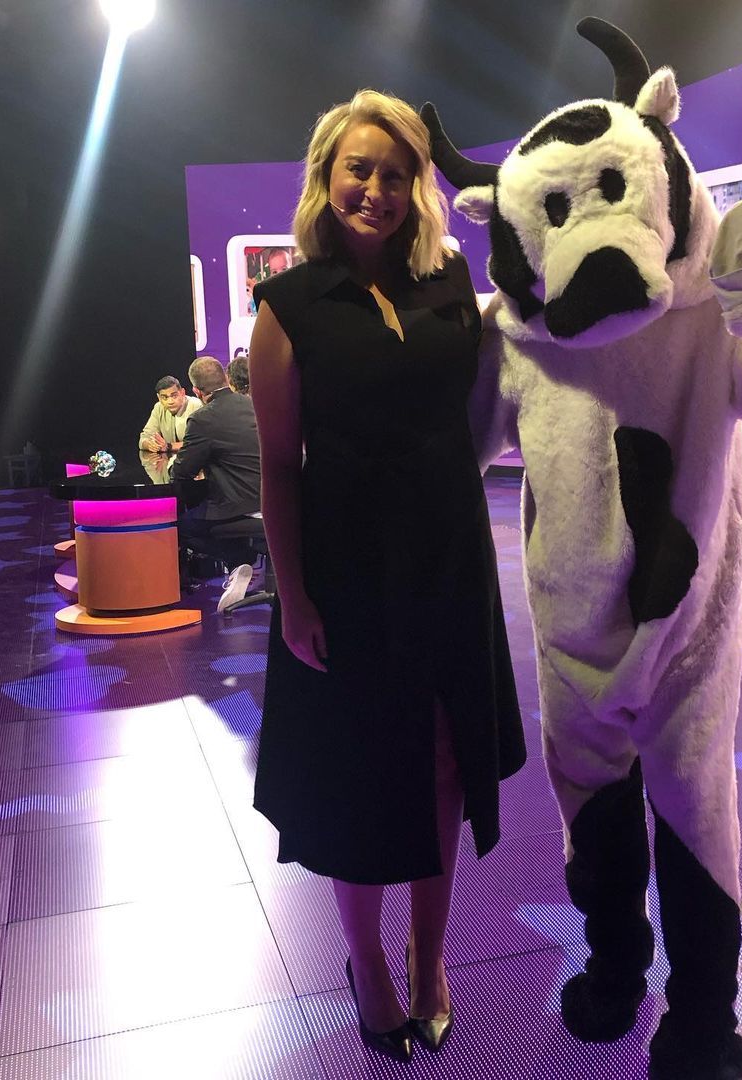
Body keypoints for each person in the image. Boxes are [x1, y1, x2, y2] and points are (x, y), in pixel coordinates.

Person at [248, 89, 525, 1063]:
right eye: (358, 169)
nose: (376, 188)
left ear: (417, 187)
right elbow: (279, 469)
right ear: (325, 178)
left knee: (446, 763)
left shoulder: (449, 281)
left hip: (450, 560)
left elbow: (486, 409)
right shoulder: (287, 307)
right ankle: (366, 960)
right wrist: (294, 597)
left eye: (396, 173)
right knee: (363, 778)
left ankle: (429, 953)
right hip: (347, 572)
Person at [169, 357, 263, 585]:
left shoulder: (203, 419)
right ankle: (244, 566)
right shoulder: (254, 405)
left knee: (181, 527)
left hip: (239, 507)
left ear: (196, 391)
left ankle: (242, 561)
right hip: (273, 502)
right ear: (226, 379)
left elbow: (181, 472)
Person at [138, 375, 202, 453]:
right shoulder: (158, 407)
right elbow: (145, 437)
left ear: (182, 393)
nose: (170, 401)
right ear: (159, 397)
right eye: (164, 397)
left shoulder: (197, 406)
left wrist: (169, 446)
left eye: (174, 396)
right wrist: (150, 445)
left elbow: (199, 442)